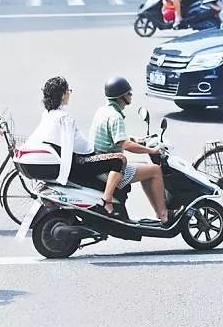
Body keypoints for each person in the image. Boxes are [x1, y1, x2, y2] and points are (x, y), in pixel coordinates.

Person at [27, 77, 125, 215]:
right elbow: (71, 147)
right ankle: (106, 201)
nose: (69, 94)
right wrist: (63, 178)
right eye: (68, 91)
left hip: (72, 160)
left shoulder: (48, 114)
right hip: (80, 162)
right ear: (62, 95)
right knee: (119, 159)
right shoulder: (65, 118)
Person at [91, 77, 169, 225]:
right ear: (122, 97)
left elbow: (115, 137)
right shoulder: (115, 117)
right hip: (111, 168)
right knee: (155, 170)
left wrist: (136, 139)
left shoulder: (103, 111)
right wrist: (151, 150)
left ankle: (157, 212)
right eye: (129, 94)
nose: (131, 96)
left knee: (146, 168)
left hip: (101, 162)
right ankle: (163, 214)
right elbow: (125, 144)